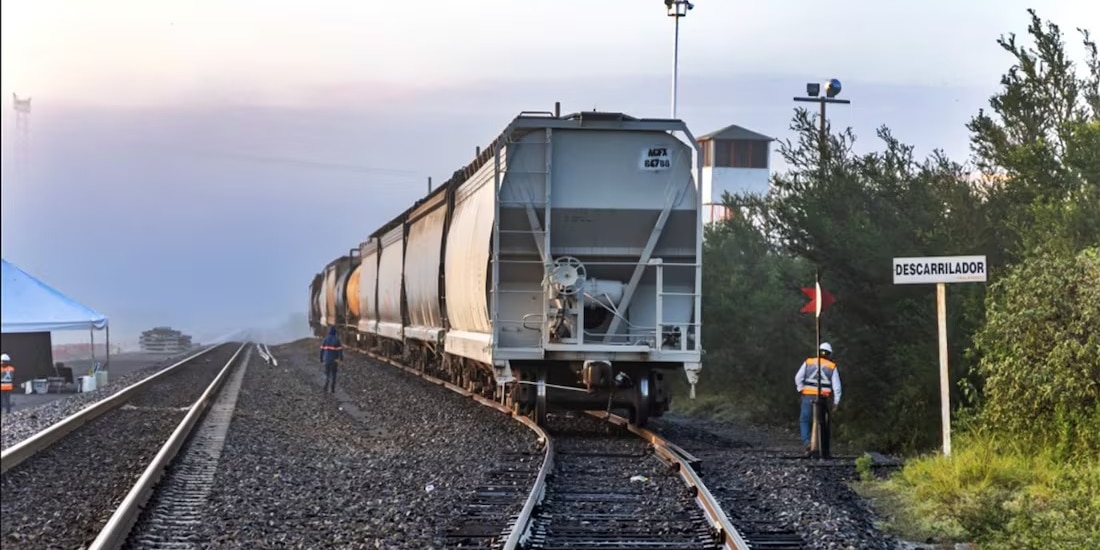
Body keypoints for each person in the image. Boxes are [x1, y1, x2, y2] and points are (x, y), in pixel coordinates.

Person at [795, 342, 842, 457]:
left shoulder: (809, 362)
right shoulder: (832, 366)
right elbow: (837, 387)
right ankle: (822, 447)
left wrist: (801, 389)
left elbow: (798, 377)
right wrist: (836, 402)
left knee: (805, 420)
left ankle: (808, 442)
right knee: (822, 423)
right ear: (829, 354)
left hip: (808, 397)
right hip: (823, 399)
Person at [319, 327, 344, 394]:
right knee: (334, 374)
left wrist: (321, 358)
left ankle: (326, 387)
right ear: (335, 333)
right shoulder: (337, 340)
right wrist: (341, 359)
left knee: (327, 374)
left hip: (327, 359)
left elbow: (321, 350)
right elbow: (340, 351)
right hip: (334, 360)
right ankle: (332, 388)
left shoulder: (325, 339)